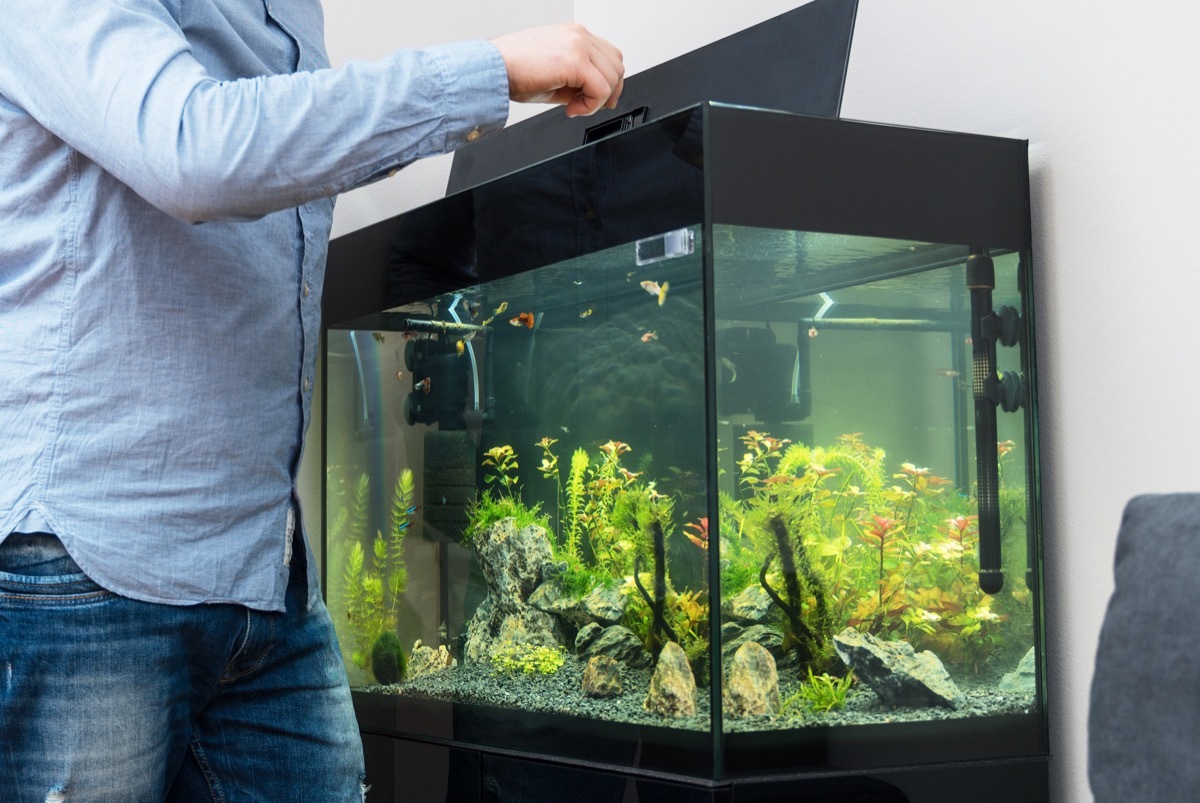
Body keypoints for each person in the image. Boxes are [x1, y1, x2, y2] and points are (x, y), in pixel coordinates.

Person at [0, 0, 623, 799]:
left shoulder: (292, 12)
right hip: (91, 567)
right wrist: (488, 70)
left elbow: (283, 156)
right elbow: (194, 147)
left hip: (263, 570)